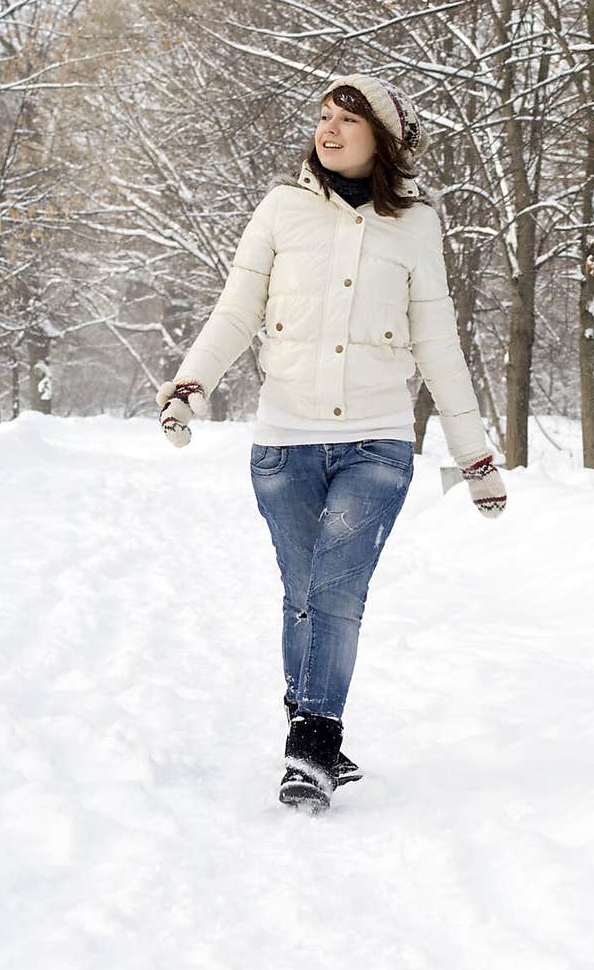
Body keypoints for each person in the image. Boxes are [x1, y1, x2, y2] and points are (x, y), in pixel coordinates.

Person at [155, 72, 506, 812]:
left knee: (337, 592)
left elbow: (438, 344)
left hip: (376, 442)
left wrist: (474, 459)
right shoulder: (282, 211)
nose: (329, 130)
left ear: (382, 138)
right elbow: (234, 311)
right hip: (285, 441)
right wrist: (190, 386)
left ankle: (312, 744)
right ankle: (310, 728)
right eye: (323, 117)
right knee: (303, 597)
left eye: (348, 120)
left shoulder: (416, 225)